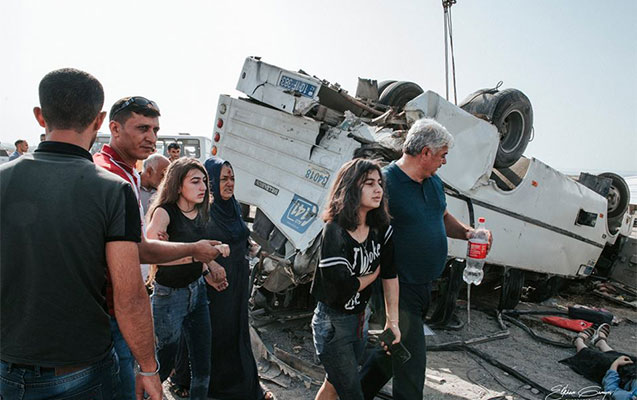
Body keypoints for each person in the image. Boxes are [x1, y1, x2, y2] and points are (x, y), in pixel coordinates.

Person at [0, 68, 162, 399]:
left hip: (6, 365)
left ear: (39, 115)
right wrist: (148, 368)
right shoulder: (112, 190)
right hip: (79, 370)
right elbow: (129, 294)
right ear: (101, 120)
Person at [95, 96, 225, 400]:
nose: (151, 137)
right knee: (147, 374)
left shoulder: (125, 171)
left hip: (151, 298)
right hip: (119, 306)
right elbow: (142, 252)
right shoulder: (109, 176)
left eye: (155, 129)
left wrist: (206, 263)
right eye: (142, 128)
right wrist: (197, 252)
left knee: (196, 362)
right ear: (113, 128)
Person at [360, 118, 492, 400]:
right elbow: (361, 232)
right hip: (395, 288)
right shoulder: (385, 184)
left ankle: (353, 394)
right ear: (426, 153)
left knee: (390, 353)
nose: (444, 161)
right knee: (411, 363)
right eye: (443, 155)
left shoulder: (433, 183)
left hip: (423, 286)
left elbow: (441, 216)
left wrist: (470, 234)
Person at [169, 157, 270, 399]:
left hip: (236, 279)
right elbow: (190, 243)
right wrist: (210, 265)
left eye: (232, 178)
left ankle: (240, 382)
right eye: (223, 179)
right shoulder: (202, 210)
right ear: (211, 181)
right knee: (209, 332)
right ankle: (188, 378)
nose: (229, 183)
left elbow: (241, 235)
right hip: (213, 281)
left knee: (235, 330)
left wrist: (254, 247)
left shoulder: (232, 206)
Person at [310, 158, 400, 400]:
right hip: (332, 324)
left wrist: (393, 322)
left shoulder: (382, 230)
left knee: (333, 384)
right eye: (369, 183)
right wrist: (373, 273)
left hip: (361, 319)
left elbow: (391, 275)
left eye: (379, 183)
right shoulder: (334, 230)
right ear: (350, 187)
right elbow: (344, 287)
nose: (378, 189)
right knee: (351, 392)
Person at [145, 157, 229, 399]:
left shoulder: (200, 212)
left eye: (204, 181)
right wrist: (198, 256)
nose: (203, 186)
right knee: (164, 362)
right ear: (177, 185)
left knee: (203, 362)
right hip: (169, 296)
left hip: (197, 291)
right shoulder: (164, 213)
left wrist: (208, 268)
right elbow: (153, 254)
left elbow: (197, 250)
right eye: (195, 181)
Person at [560, 323, 636, 399]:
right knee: (627, 358)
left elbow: (611, 389)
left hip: (623, 375)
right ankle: (600, 342)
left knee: (599, 360)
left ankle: (578, 341)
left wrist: (615, 364)